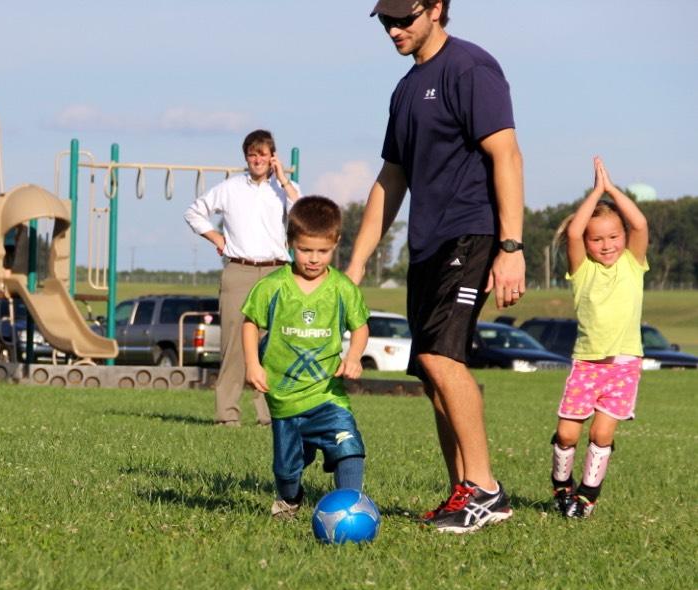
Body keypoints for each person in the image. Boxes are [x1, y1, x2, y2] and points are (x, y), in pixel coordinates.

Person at [346, 0, 524, 533]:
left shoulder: (470, 68)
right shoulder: (405, 90)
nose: (394, 29)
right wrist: (353, 267)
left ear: (438, 9)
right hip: (426, 244)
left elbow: (506, 155)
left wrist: (511, 248)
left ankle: (486, 491)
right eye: (385, 21)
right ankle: (461, 492)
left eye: (404, 19)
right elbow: (390, 181)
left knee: (444, 358)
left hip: (470, 232)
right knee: (429, 368)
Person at [242, 196, 370, 519]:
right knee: (286, 471)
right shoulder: (273, 287)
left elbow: (361, 327)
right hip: (285, 398)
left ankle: (350, 508)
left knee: (349, 447)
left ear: (336, 243)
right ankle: (290, 497)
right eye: (305, 250)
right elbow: (250, 324)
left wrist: (354, 356)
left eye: (322, 251)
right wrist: (252, 364)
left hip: (327, 395)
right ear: (290, 243)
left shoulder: (342, 289)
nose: (313, 259)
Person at [549, 157, 648, 519]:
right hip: (586, 366)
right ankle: (562, 486)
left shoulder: (633, 264)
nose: (606, 245)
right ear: (587, 244)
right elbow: (574, 232)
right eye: (598, 239)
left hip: (623, 368)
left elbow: (639, 222)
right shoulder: (582, 270)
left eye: (613, 236)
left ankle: (587, 498)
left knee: (602, 435)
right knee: (567, 437)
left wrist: (611, 190)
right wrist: (594, 194)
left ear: (623, 237)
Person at [184, 129, 300, 427]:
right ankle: (227, 415)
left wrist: (283, 179)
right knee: (233, 343)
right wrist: (215, 237)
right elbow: (194, 212)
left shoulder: (286, 189)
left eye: (263, 154)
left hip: (276, 270)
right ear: (246, 157)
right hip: (239, 269)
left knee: (273, 344)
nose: (257, 159)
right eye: (252, 154)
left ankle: (269, 415)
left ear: (272, 156)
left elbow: (301, 214)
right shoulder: (230, 188)